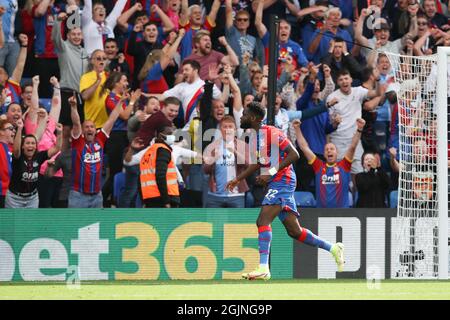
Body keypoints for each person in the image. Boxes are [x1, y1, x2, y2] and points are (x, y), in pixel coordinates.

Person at [226, 101, 344, 280]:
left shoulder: (271, 132)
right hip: (276, 182)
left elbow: (294, 154)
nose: (241, 117)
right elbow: (257, 163)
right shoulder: (256, 137)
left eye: (243, 114)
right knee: (294, 231)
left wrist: (270, 173)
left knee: (263, 220)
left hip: (283, 181)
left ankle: (263, 268)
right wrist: (237, 179)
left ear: (253, 118)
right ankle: (333, 248)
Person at [68, 91, 124, 208]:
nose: (90, 129)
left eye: (92, 126)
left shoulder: (100, 139)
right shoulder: (78, 142)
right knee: (74, 226)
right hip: (78, 195)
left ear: (95, 129)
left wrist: (121, 102)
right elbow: (76, 123)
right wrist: (73, 107)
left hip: (97, 196)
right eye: (87, 127)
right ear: (82, 131)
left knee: (96, 226)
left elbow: (112, 119)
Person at [295, 117, 366, 208]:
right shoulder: (319, 166)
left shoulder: (344, 165)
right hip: (321, 215)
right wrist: (297, 129)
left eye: (332, 149)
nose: (329, 151)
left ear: (337, 153)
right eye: (326, 150)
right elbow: (304, 147)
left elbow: (352, 146)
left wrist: (359, 129)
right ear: (324, 154)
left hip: (342, 214)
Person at [100, 72, 141, 207]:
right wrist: (132, 101)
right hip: (115, 136)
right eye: (124, 80)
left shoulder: (120, 97)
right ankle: (103, 199)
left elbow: (129, 115)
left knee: (124, 170)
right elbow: (124, 116)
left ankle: (114, 199)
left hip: (124, 135)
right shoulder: (110, 98)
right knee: (115, 172)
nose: (127, 83)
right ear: (116, 83)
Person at [52, 11, 88, 152]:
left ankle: (76, 159)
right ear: (67, 36)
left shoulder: (85, 52)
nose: (76, 36)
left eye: (79, 34)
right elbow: (55, 38)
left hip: (81, 96)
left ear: (82, 36)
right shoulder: (64, 48)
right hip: (67, 94)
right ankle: (60, 159)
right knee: (66, 130)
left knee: (79, 129)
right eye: (73, 34)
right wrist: (57, 22)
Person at [5, 118, 62, 208]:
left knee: (30, 222)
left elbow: (57, 148)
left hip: (32, 199)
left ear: (36, 146)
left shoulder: (39, 156)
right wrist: (19, 128)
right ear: (22, 146)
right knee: (14, 223)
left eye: (33, 143)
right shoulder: (18, 157)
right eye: (27, 143)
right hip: (14, 198)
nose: (30, 145)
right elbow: (16, 149)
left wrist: (59, 133)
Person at [126, 125, 181, 208]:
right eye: (169, 133)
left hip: (149, 199)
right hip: (166, 199)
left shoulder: (147, 153)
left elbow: (140, 178)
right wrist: (166, 201)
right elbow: (160, 175)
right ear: (160, 135)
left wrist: (143, 200)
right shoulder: (163, 150)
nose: (172, 136)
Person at [203, 115, 249, 208]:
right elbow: (205, 170)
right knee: (215, 222)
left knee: (236, 222)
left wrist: (235, 152)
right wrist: (214, 159)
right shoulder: (212, 146)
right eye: (225, 127)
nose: (227, 129)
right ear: (220, 129)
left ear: (235, 129)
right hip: (216, 196)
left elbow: (249, 166)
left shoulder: (242, 145)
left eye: (230, 127)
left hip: (236, 195)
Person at [79, 49, 108, 129]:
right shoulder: (86, 77)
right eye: (98, 58)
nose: (101, 61)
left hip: (108, 124)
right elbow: (84, 96)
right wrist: (98, 81)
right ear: (92, 61)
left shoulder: (109, 76)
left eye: (104, 59)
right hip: (92, 125)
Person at [0, 118, 14, 208]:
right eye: (11, 129)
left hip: (12, 194)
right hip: (1, 193)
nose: (14, 131)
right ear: (1, 131)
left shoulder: (14, 149)